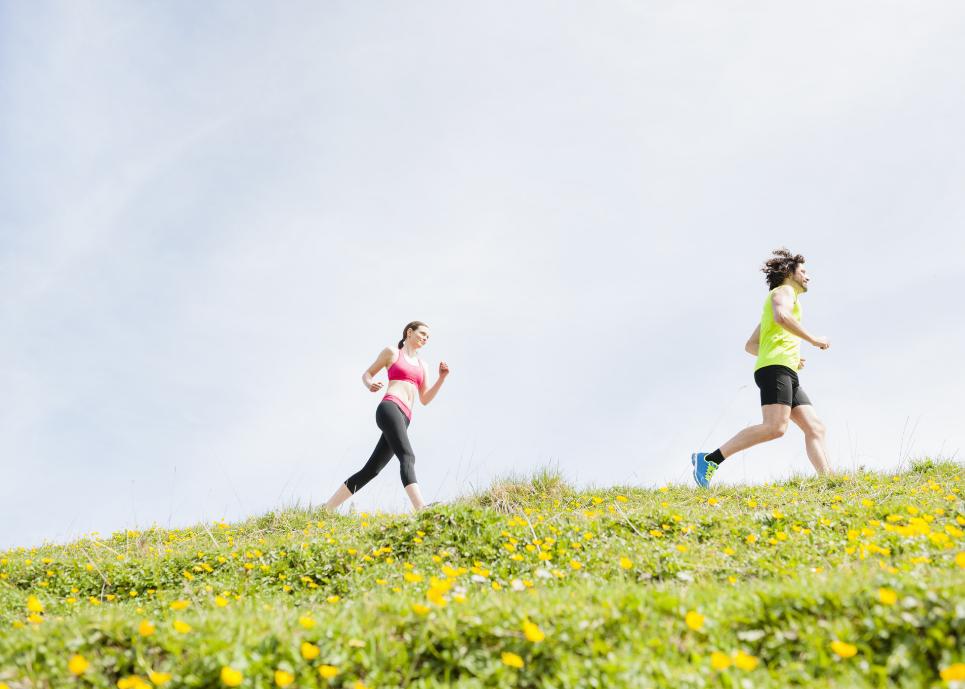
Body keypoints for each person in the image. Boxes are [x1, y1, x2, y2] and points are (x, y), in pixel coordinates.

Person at [692, 249, 831, 488]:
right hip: (775, 369)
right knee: (775, 427)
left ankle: (830, 482)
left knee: (815, 426)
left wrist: (791, 356)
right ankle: (709, 459)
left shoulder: (779, 302)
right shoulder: (783, 292)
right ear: (789, 273)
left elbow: (751, 345)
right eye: (804, 272)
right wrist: (813, 340)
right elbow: (782, 317)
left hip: (783, 367)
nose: (808, 277)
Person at [324, 320, 449, 511]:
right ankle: (421, 508)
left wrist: (442, 378)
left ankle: (326, 509)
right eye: (422, 333)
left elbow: (424, 398)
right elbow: (367, 374)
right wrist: (369, 384)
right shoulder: (392, 352)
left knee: (372, 470)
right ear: (409, 332)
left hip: (405, 417)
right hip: (389, 407)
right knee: (408, 456)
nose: (425, 338)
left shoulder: (423, 365)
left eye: (428, 337)